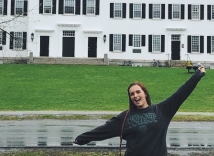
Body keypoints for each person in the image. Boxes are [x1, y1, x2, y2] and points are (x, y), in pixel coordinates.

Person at [73, 65, 206, 156]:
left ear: (145, 94)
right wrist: (81, 139)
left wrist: (197, 76)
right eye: (132, 94)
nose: (135, 96)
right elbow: (103, 130)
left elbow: (181, 94)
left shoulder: (162, 110)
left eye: (138, 92)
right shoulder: (125, 117)